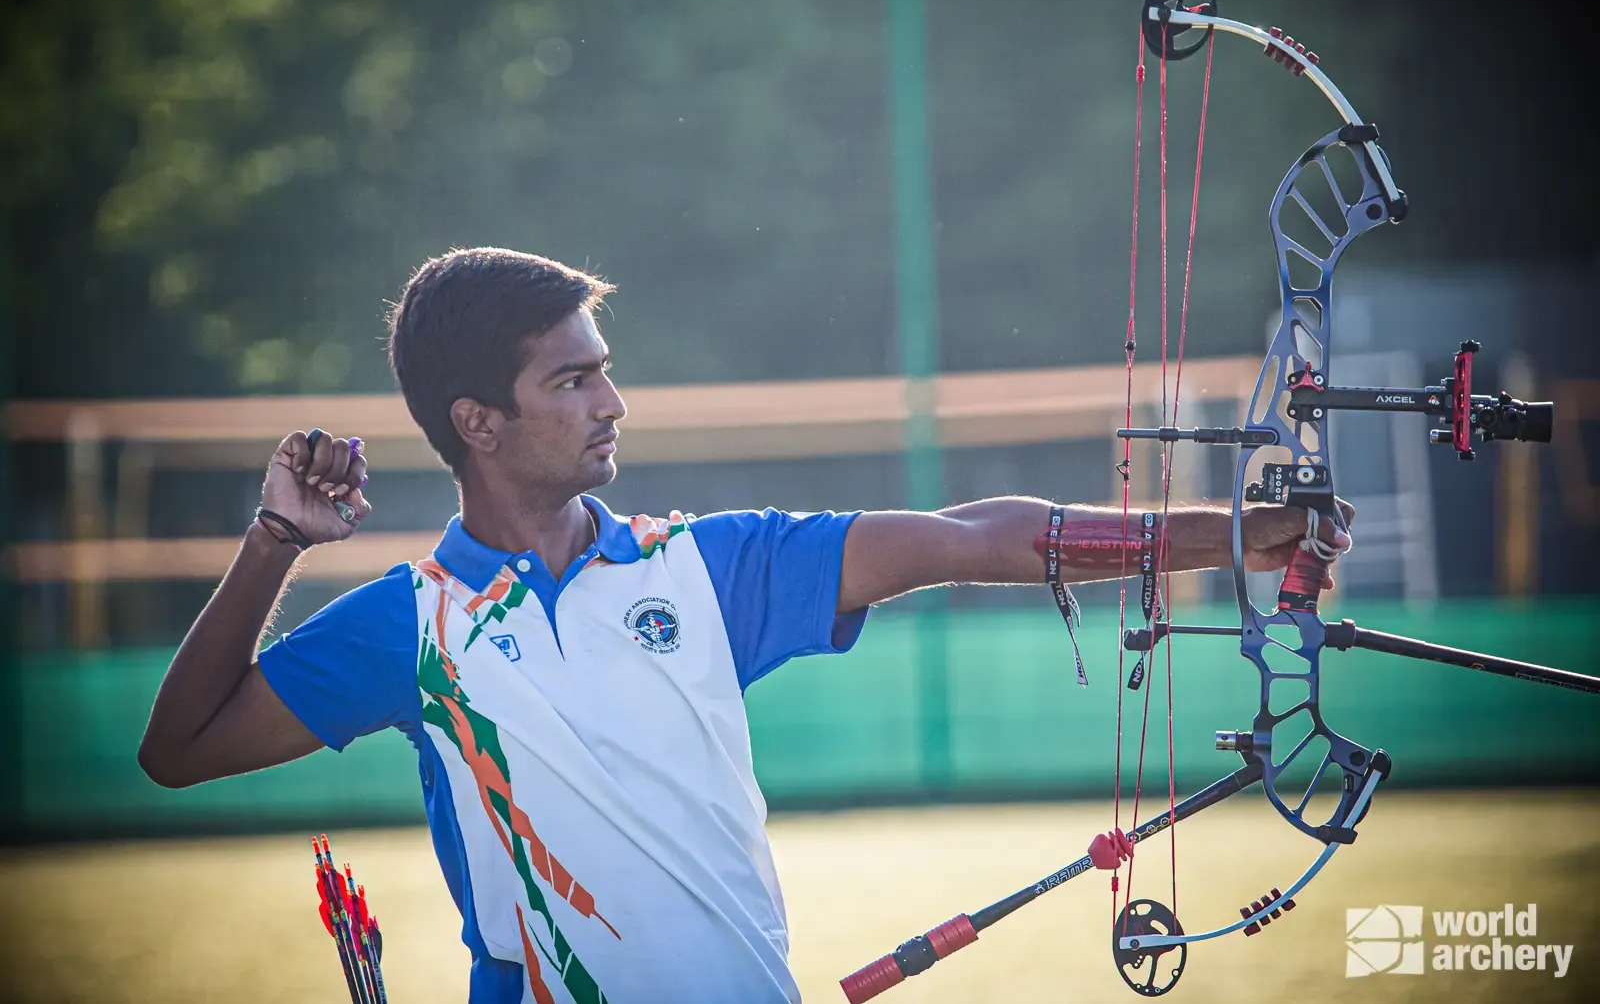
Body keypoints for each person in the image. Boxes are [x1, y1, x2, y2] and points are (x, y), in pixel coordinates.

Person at [138, 247, 1353, 1004]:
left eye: (603, 367)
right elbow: (180, 745)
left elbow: (981, 535)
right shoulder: (413, 625)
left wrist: (1236, 538)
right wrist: (275, 543)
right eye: (570, 380)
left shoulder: (705, 567)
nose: (612, 401)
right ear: (479, 420)